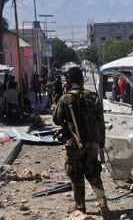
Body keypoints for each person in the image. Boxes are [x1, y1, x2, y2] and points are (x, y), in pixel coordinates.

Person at [52, 67, 111, 218]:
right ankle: (102, 202)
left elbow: (57, 120)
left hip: (74, 144)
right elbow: (100, 121)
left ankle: (80, 205)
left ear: (69, 81)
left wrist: (54, 103)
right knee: (94, 173)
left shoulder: (66, 99)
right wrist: (101, 141)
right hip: (93, 142)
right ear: (81, 79)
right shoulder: (94, 97)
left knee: (75, 173)